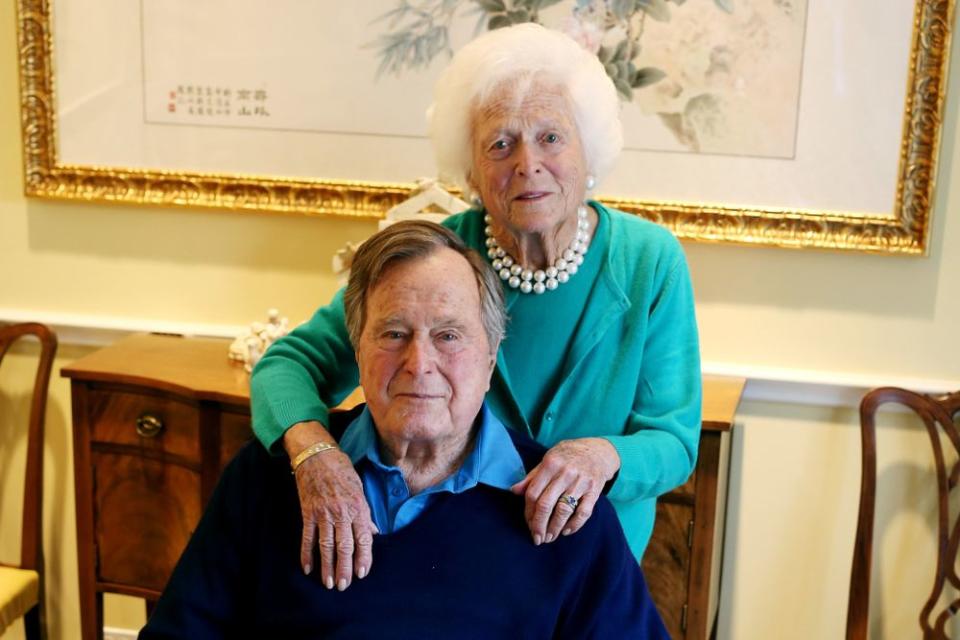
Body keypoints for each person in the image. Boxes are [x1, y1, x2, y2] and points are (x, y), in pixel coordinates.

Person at [252, 23, 702, 591]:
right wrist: (314, 453)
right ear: (469, 170)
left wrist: (602, 457)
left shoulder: (649, 262)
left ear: (590, 148)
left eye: (551, 137)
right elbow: (287, 366)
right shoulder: (438, 259)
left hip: (588, 570)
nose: (527, 163)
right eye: (499, 143)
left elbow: (675, 441)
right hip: (454, 560)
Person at [140, 221, 669, 639]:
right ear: (357, 350)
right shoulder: (269, 480)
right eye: (393, 333)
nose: (419, 362)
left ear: (489, 362)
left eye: (448, 336)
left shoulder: (564, 511)